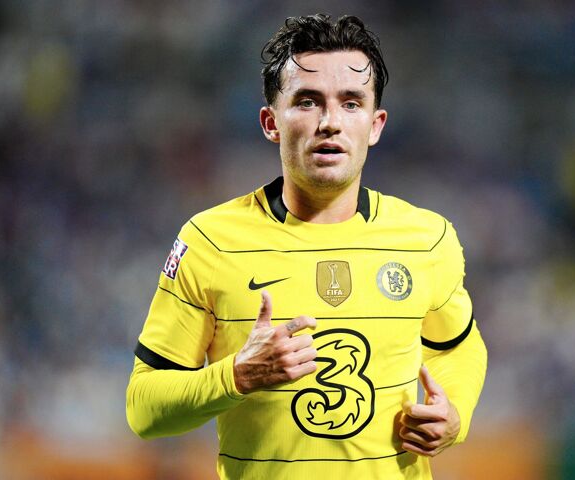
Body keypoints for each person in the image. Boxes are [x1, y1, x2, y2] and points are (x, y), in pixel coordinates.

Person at [126, 13, 487, 479]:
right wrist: (237, 376)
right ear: (271, 122)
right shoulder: (210, 242)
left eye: (351, 103)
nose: (330, 123)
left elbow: (459, 347)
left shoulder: (427, 239)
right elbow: (144, 410)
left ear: (375, 125)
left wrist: (453, 414)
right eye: (307, 102)